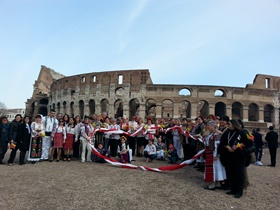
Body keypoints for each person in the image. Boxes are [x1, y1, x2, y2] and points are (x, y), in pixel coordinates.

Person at [219, 120, 250, 198]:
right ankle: (233, 189)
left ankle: (239, 191)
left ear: (234, 124)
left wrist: (238, 146)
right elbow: (223, 142)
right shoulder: (227, 133)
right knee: (231, 172)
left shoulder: (242, 132)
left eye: (229, 124)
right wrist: (227, 147)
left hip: (239, 155)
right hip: (229, 155)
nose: (228, 125)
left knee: (239, 173)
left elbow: (248, 142)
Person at [203, 120, 226, 190]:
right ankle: (217, 182)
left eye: (209, 126)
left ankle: (213, 183)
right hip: (210, 152)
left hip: (213, 153)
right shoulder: (211, 133)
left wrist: (216, 155)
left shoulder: (216, 134)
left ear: (213, 126)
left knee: (214, 168)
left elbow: (217, 145)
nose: (207, 127)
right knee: (216, 168)